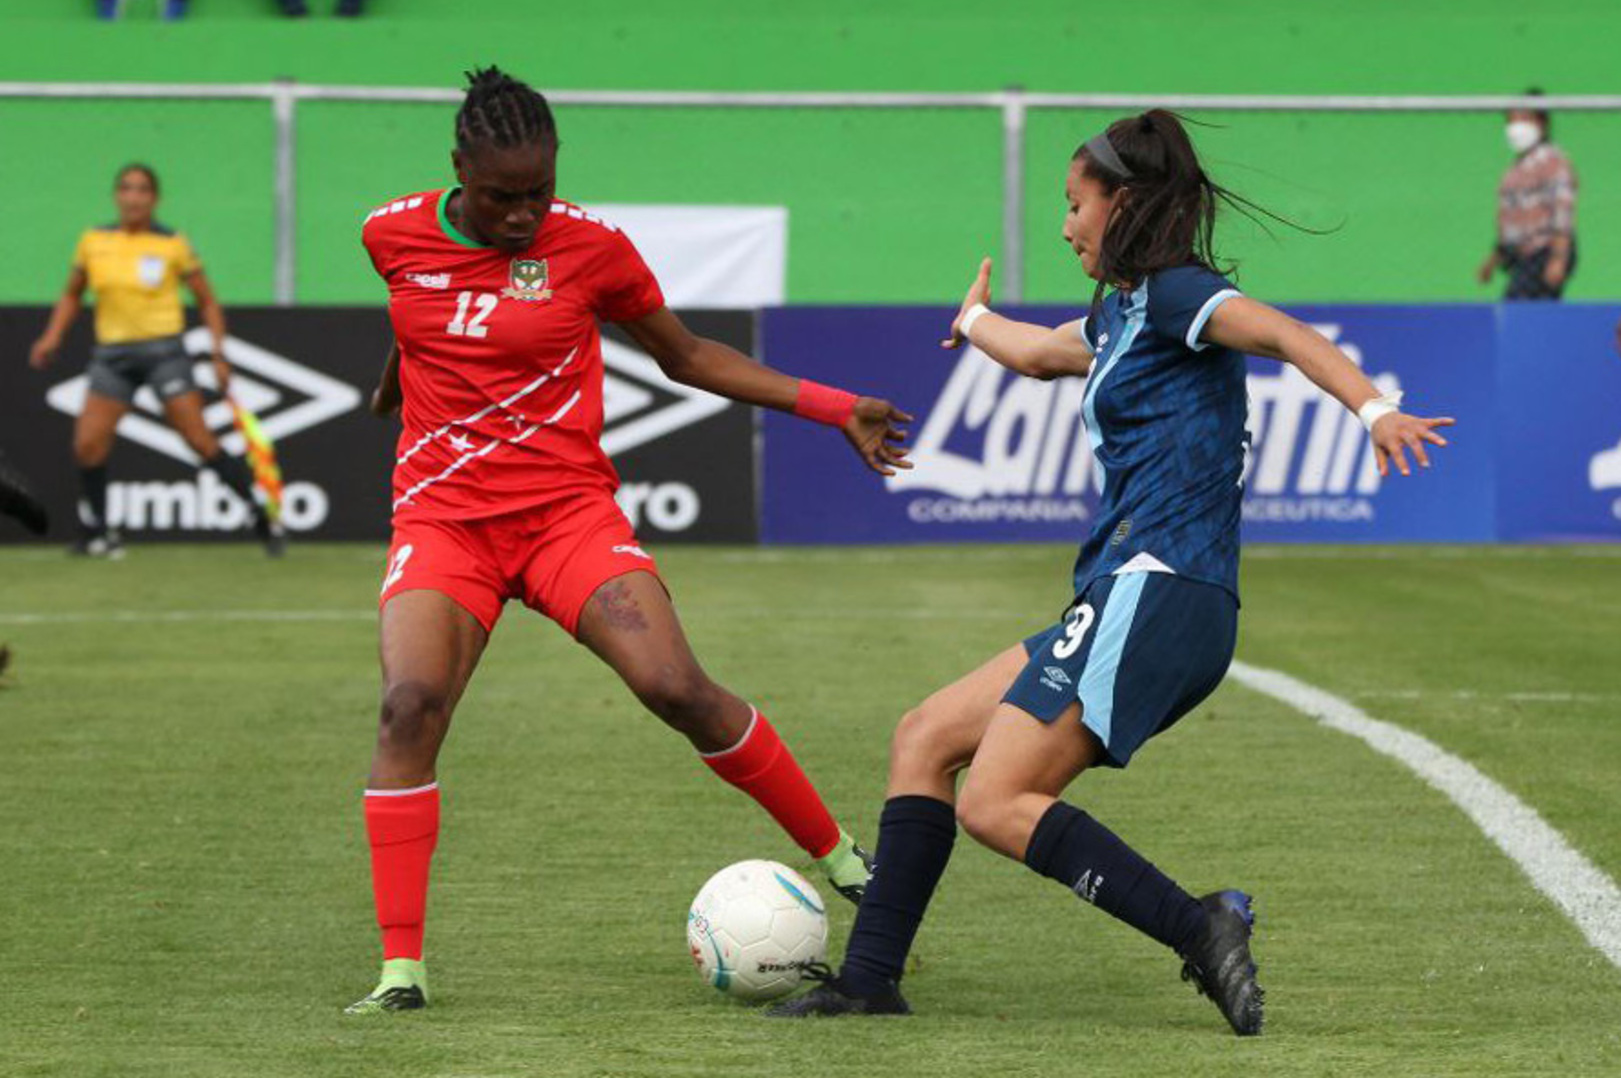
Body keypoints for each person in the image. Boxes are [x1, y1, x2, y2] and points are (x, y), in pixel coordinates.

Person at [769, 110, 1453, 1034]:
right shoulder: (1123, 315)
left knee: (996, 800)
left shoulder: (1177, 296)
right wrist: (973, 320)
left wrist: (1375, 411)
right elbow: (1038, 353)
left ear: (1121, 204)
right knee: (924, 737)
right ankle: (868, 981)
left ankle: (1198, 926)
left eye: (1074, 205)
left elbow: (1287, 335)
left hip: (1160, 586)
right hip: (1124, 592)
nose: (1064, 227)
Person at [347, 66, 913, 1015]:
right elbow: (419, 317)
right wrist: (393, 383)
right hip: (444, 522)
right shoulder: (389, 232)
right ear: (457, 171)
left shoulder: (592, 249)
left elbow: (687, 356)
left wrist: (832, 406)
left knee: (675, 687)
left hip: (564, 516)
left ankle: (843, 856)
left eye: (539, 191)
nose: (524, 214)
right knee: (409, 706)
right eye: (501, 197)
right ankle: (400, 972)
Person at [28, 163, 282, 558]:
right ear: (116, 195)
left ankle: (260, 513)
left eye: (142, 189)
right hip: (112, 356)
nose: (133, 197)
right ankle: (100, 532)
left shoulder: (172, 244)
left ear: (154, 198)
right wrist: (52, 336)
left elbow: (207, 301)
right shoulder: (94, 241)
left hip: (164, 353)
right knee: (87, 445)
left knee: (199, 440)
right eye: (126, 188)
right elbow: (72, 294)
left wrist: (218, 353)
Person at [1477, 88, 1578, 300]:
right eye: (1510, 121)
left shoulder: (1553, 161)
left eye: (1523, 120)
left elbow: (1562, 213)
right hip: (1523, 257)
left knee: (1517, 308)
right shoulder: (1516, 169)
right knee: (1536, 312)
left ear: (1541, 123)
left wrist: (1558, 258)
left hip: (1544, 251)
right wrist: (1493, 261)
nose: (1515, 128)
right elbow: (1511, 223)